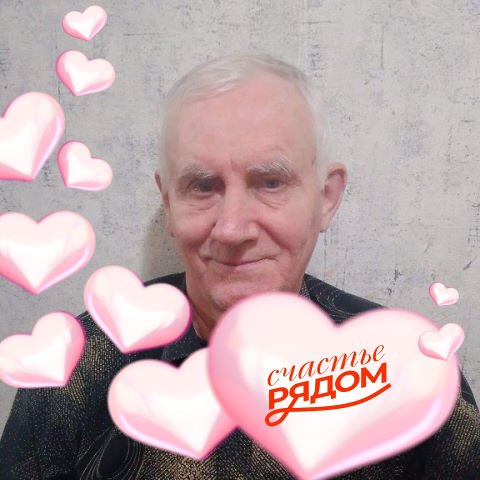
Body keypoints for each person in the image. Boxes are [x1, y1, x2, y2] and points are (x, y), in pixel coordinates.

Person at [1, 54, 479, 479]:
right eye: (202, 186)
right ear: (168, 204)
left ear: (326, 199)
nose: (232, 228)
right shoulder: (70, 373)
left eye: (270, 182)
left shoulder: (414, 373)